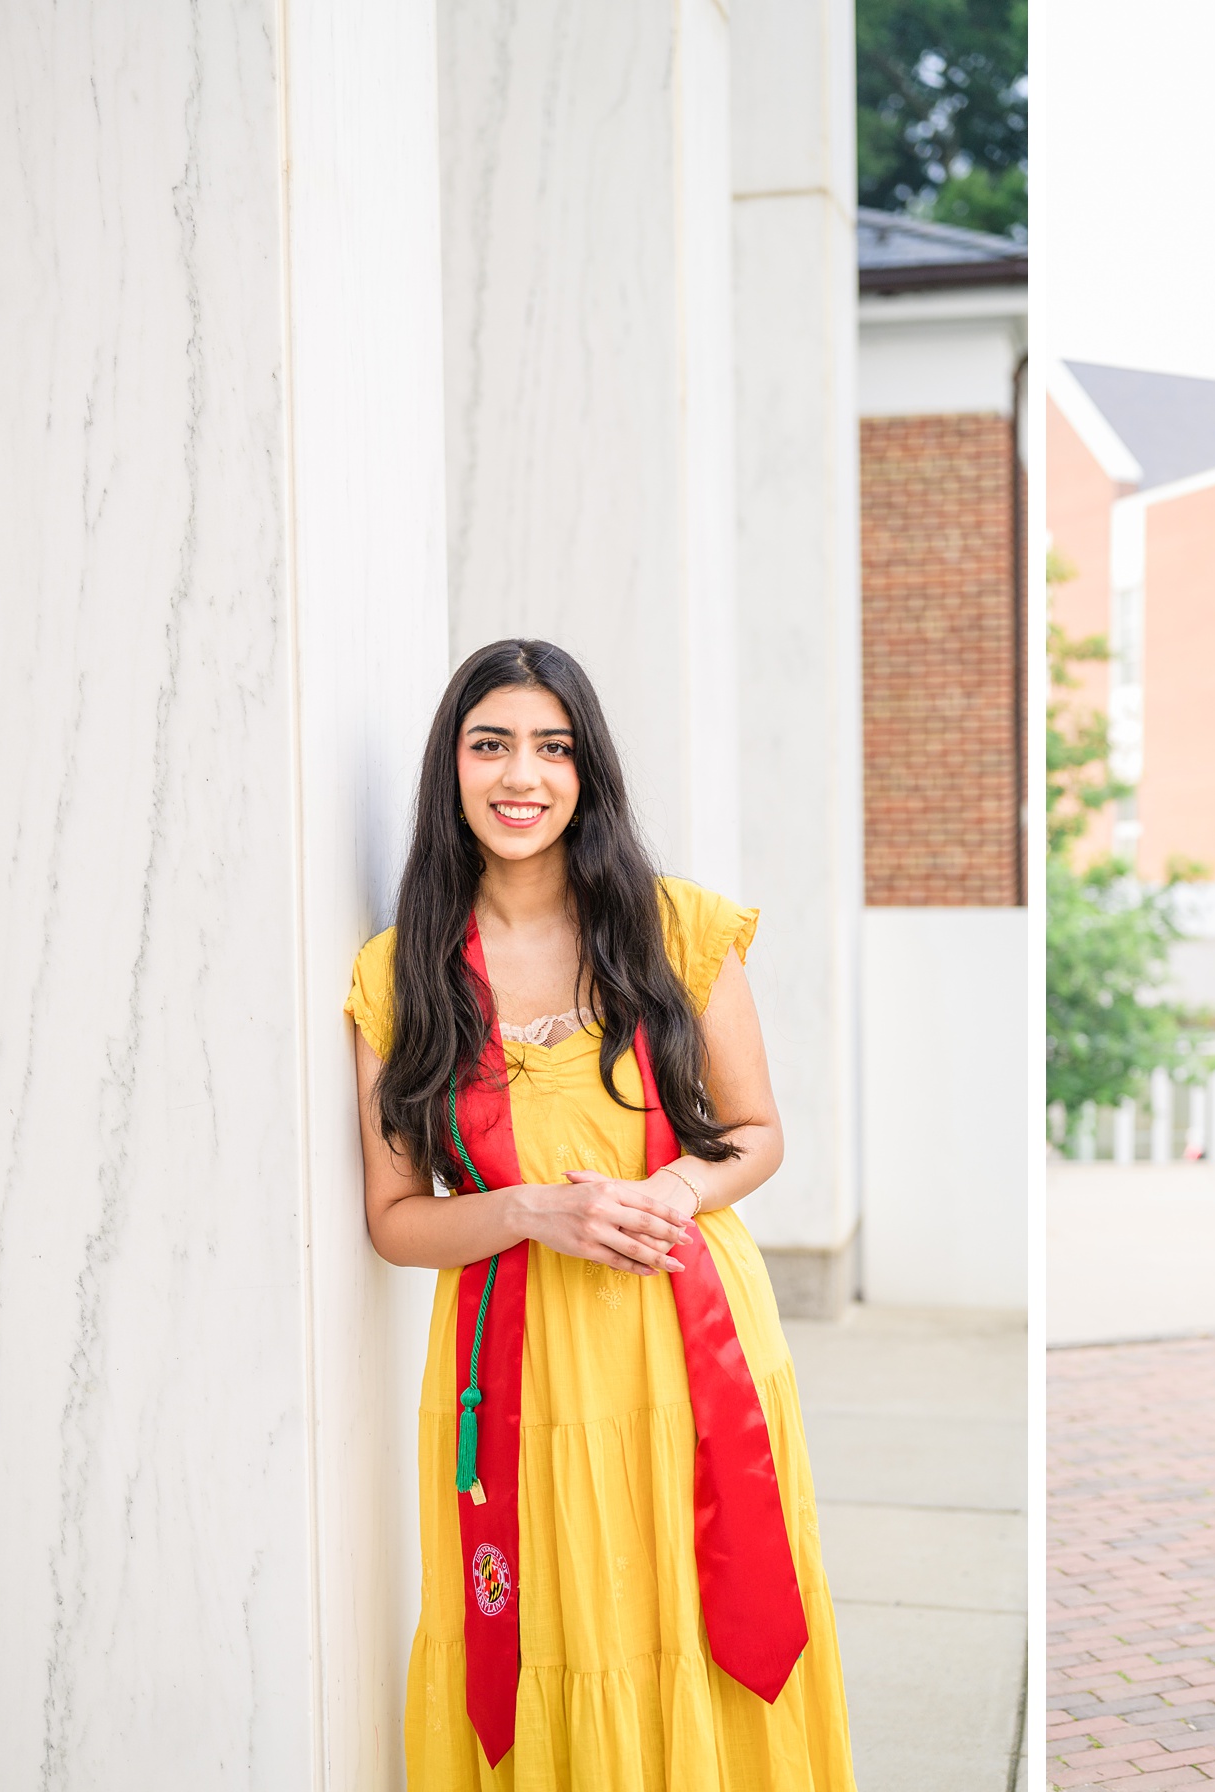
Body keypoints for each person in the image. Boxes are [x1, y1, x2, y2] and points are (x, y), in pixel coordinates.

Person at [347, 639, 854, 1789]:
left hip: (691, 1345)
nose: (520, 776)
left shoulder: (677, 928)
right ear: (452, 768)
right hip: (514, 1378)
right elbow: (392, 1217)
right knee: (552, 1633)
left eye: (552, 747)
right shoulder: (402, 976)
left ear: (588, 772)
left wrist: (674, 1186)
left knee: (700, 1607)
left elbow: (758, 1130)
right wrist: (530, 1209)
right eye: (491, 745)